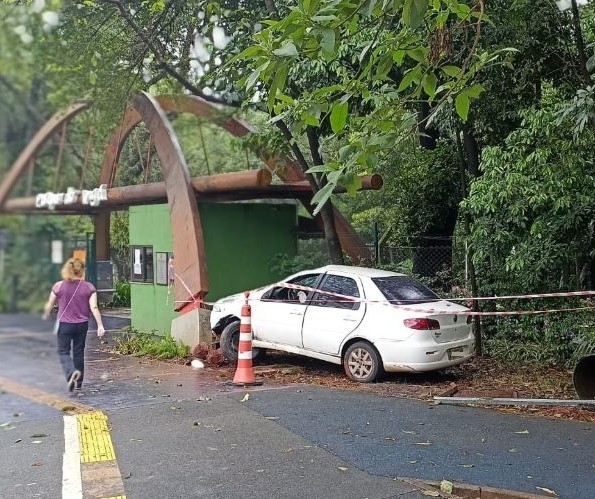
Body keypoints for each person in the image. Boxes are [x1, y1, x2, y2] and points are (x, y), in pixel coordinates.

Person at [42, 258, 105, 391]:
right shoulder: (89, 287)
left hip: (65, 324)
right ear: (82, 270)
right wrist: (100, 325)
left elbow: (50, 303)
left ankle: (71, 373)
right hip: (82, 325)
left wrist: (46, 314)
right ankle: (79, 383)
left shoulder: (58, 286)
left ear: (67, 269)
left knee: (63, 351)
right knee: (78, 352)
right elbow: (94, 307)